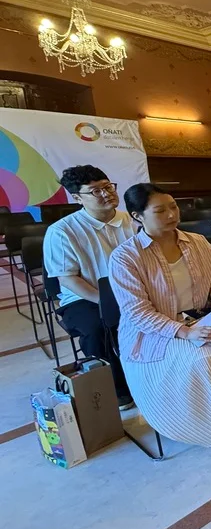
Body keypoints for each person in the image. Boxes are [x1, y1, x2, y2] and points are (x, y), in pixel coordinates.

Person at [108, 184, 211, 447]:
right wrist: (185, 333)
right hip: (153, 333)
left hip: (198, 319)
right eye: (160, 211)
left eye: (173, 207)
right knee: (201, 360)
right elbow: (137, 312)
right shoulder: (125, 257)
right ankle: (198, 420)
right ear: (137, 216)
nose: (171, 215)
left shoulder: (197, 242)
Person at [43, 165, 138, 410]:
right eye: (96, 191)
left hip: (132, 291)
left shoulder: (132, 220)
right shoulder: (62, 231)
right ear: (77, 198)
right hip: (85, 297)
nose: (106, 194)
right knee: (98, 328)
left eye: (108, 187)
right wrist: (108, 303)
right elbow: (68, 279)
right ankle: (115, 388)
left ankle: (151, 372)